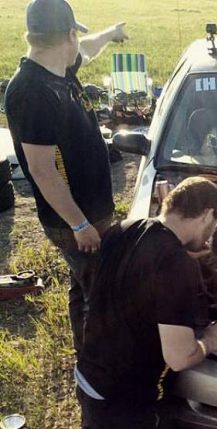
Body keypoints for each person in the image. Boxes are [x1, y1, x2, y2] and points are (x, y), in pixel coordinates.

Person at [0, 177, 217, 429]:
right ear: (207, 214)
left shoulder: (123, 228)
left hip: (90, 379)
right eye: (213, 225)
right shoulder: (174, 264)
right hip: (123, 401)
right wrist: (211, 340)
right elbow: (178, 356)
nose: (211, 233)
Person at [4, 0, 128, 352]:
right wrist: (78, 224)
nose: (80, 44)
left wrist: (110, 35)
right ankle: (99, 362)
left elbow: (86, 51)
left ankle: (85, 350)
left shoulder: (57, 68)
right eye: (77, 35)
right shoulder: (32, 92)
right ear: (68, 34)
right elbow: (42, 171)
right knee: (100, 289)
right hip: (74, 218)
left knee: (83, 282)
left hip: (88, 212)